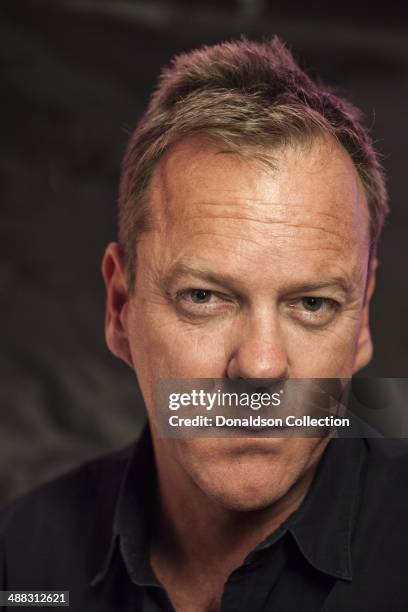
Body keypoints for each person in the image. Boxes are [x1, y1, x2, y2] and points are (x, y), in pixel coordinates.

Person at [1, 37, 407, 612]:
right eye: (204, 296)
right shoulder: (23, 564)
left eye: (312, 304)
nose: (262, 367)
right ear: (121, 306)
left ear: (361, 320)